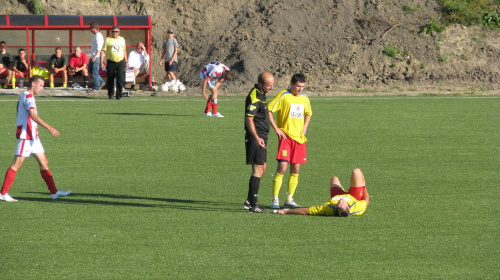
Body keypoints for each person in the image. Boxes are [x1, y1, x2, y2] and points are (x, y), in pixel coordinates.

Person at [0, 75, 71, 202]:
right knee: (17, 164)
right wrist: (50, 128)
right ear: (33, 84)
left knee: (44, 162)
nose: (42, 88)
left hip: (34, 137)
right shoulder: (28, 97)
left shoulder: (29, 96)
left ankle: (54, 192)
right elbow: (33, 116)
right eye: (41, 85)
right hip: (26, 137)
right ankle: (3, 193)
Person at [268, 73, 312, 209]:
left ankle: (289, 199)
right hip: (286, 138)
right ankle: (275, 199)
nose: (300, 89)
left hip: (299, 139)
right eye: (298, 86)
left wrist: (304, 127)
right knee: (282, 168)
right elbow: (269, 110)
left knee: (296, 169)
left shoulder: (305, 98)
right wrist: (276, 129)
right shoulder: (283, 96)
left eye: (303, 87)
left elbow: (308, 113)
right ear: (291, 84)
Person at [275, 168, 370, 216]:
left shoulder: (327, 208)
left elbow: (305, 211)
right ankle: (359, 183)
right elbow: (366, 200)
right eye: (342, 203)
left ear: (335, 207)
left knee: (334, 178)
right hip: (355, 196)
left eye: (338, 203)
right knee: (356, 171)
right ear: (348, 208)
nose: (341, 200)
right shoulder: (356, 207)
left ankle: (348, 189)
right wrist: (363, 186)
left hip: (336, 196)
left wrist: (285, 211)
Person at [243, 72, 275, 213]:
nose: (271, 88)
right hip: (256, 138)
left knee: (263, 169)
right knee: (257, 170)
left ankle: (249, 200)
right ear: (260, 84)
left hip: (262, 137)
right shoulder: (255, 97)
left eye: (272, 85)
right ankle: (253, 205)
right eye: (268, 85)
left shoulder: (261, 94)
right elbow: (249, 119)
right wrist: (256, 138)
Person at [101, 25, 128, 100]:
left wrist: (126, 61)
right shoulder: (108, 40)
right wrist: (101, 61)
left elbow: (124, 50)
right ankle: (110, 94)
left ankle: (119, 95)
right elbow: (103, 51)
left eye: (116, 31)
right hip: (111, 61)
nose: (115, 33)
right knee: (110, 78)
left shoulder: (122, 39)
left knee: (120, 78)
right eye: (113, 31)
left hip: (120, 61)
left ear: (119, 32)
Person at [89, 22, 105, 92]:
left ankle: (96, 87)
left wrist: (95, 57)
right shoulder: (95, 35)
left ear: (94, 28)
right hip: (92, 56)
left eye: (91, 28)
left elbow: (99, 48)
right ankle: (101, 82)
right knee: (90, 70)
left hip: (96, 57)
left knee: (95, 72)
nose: (90, 30)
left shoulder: (98, 36)